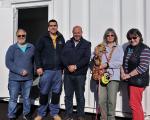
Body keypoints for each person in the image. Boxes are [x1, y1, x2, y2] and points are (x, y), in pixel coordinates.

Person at [34, 19, 65, 120]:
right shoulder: (43, 38)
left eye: (55, 25)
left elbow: (64, 54)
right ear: (48, 27)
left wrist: (63, 67)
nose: (53, 27)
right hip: (46, 71)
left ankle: (54, 113)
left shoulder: (61, 38)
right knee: (44, 93)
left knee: (56, 93)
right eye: (51, 25)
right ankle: (41, 114)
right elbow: (37, 53)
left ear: (57, 26)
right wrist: (38, 66)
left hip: (58, 71)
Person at [61, 26, 91, 120]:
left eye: (78, 32)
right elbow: (63, 56)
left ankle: (80, 115)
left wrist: (75, 66)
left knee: (80, 96)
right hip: (68, 74)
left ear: (82, 33)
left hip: (80, 74)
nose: (77, 34)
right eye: (75, 32)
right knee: (68, 96)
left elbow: (86, 59)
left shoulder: (86, 44)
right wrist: (67, 66)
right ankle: (69, 114)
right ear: (72, 33)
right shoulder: (68, 43)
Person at [5, 29, 35, 120]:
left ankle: (26, 114)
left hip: (28, 79)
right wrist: (20, 71)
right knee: (13, 98)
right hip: (14, 78)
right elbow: (8, 63)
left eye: (23, 35)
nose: (21, 37)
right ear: (16, 36)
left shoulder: (31, 47)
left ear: (25, 36)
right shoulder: (12, 48)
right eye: (19, 36)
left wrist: (35, 71)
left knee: (27, 98)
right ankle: (11, 115)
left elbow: (35, 61)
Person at [121, 28, 150, 120]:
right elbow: (123, 62)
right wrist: (122, 73)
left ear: (139, 37)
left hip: (138, 80)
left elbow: (142, 67)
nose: (132, 40)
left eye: (134, 37)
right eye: (130, 38)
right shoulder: (129, 48)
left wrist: (128, 75)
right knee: (135, 104)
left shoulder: (144, 49)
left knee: (134, 104)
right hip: (130, 80)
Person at [96, 28, 124, 120]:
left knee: (111, 101)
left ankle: (111, 118)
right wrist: (96, 57)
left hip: (113, 77)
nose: (110, 37)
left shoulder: (119, 48)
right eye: (108, 35)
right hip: (102, 75)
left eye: (112, 35)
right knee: (101, 100)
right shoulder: (101, 47)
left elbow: (120, 62)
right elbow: (94, 58)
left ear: (115, 36)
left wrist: (107, 64)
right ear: (105, 37)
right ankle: (103, 118)